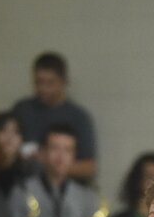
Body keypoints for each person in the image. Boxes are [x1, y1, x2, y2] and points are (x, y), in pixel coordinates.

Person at [8, 124, 100, 217]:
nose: (60, 156)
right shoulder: (22, 191)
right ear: (42, 152)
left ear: (74, 156)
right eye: (54, 148)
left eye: (68, 150)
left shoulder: (87, 197)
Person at [11, 52, 97, 182]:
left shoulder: (79, 117)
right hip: (23, 186)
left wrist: (52, 163)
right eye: (38, 82)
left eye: (50, 83)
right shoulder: (22, 109)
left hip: (65, 193)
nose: (44, 89)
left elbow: (89, 168)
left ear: (64, 82)